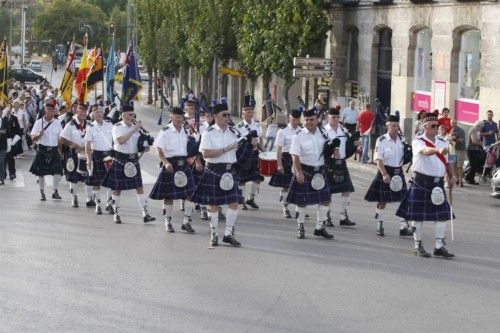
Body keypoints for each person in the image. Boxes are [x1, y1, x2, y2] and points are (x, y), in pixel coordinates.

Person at [396, 111, 456, 258]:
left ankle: (439, 246)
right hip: (421, 182)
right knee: (418, 217)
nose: (436, 128)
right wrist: (437, 150)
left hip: (438, 183)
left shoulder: (443, 141)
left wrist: (451, 175)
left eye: (438, 125)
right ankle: (418, 246)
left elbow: (448, 161)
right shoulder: (418, 141)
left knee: (441, 216)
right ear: (426, 127)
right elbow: (425, 151)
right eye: (433, 126)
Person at [191, 103, 251, 246]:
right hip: (214, 170)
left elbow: (242, 149)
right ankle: (214, 234)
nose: (227, 118)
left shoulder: (234, 132)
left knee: (234, 203)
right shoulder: (209, 132)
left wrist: (251, 144)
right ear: (216, 117)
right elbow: (205, 153)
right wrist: (225, 149)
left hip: (230, 171)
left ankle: (228, 234)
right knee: (214, 204)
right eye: (224, 115)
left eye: (228, 115)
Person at [101, 104, 156, 224]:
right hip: (120, 159)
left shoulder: (137, 128)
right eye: (130, 114)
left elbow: (142, 145)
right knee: (117, 188)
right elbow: (120, 141)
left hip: (133, 160)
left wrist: (145, 145)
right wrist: (133, 130)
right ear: (123, 115)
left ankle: (145, 213)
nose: (132, 117)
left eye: (133, 114)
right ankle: (116, 213)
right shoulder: (117, 126)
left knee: (139, 187)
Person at [286, 108, 333, 240]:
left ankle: (319, 227)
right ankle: (300, 226)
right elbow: (295, 156)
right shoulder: (298, 136)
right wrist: (299, 172)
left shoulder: (323, 134)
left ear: (317, 120)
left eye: (311, 119)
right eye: (306, 119)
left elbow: (328, 150)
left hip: (320, 171)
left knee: (326, 200)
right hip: (305, 170)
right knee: (302, 202)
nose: (309, 122)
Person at [149, 107, 197, 234]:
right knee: (169, 196)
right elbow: (158, 149)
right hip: (171, 164)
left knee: (191, 193)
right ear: (171, 117)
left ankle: (186, 221)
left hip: (184, 164)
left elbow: (190, 146)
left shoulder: (186, 130)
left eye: (181, 117)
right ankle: (168, 221)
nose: (179, 119)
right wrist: (165, 162)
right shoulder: (165, 131)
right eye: (177, 117)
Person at [364, 115, 413, 237]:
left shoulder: (402, 140)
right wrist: (384, 174)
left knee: (404, 200)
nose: (396, 128)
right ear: (387, 126)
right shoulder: (381, 140)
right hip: (386, 171)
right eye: (393, 125)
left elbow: (406, 157)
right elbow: (378, 160)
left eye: (397, 125)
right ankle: (379, 225)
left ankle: (403, 227)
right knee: (382, 201)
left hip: (398, 172)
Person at [324, 107, 356, 227]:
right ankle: (326, 216)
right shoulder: (323, 131)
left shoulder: (343, 130)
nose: (336, 119)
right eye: (333, 117)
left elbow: (348, 145)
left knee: (346, 190)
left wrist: (354, 143)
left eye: (338, 117)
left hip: (341, 162)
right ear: (328, 118)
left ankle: (343, 216)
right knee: (328, 191)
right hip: (329, 162)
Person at [269, 109, 302, 218]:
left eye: (297, 120)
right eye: (293, 119)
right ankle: (285, 207)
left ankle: (299, 207)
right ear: (289, 118)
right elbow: (278, 150)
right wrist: (279, 165)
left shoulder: (302, 130)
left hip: (298, 158)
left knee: (299, 185)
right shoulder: (282, 131)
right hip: (286, 158)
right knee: (285, 187)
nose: (295, 122)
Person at [29, 99, 64, 200]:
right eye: (49, 110)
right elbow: (32, 138)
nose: (51, 112)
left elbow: (59, 139)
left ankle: (55, 191)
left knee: (57, 171)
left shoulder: (57, 123)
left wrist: (60, 152)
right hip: (42, 149)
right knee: (40, 173)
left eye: (53, 111)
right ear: (45, 111)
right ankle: (42, 192)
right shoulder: (39, 123)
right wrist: (39, 134)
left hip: (54, 149)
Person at [60, 103, 93, 208]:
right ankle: (74, 198)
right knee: (73, 177)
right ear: (77, 111)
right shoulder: (71, 124)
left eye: (85, 111)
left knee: (89, 175)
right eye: (81, 111)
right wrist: (71, 144)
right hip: (74, 152)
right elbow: (61, 139)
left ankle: (89, 199)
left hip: (86, 152)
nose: (84, 113)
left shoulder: (89, 124)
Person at [84, 105, 114, 215]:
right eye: (96, 111)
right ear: (92, 114)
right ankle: (98, 205)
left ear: (103, 113)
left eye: (101, 111)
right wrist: (88, 159)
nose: (99, 113)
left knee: (111, 182)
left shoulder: (110, 125)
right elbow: (87, 145)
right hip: (97, 155)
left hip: (109, 155)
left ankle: (109, 204)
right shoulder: (90, 127)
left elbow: (115, 141)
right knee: (96, 183)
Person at [236, 103, 263, 210]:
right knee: (242, 180)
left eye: (251, 112)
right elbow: (237, 142)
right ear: (243, 113)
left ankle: (251, 198)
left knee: (257, 178)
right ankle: (242, 200)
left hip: (255, 154)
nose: (250, 114)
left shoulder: (256, 124)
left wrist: (263, 149)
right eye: (248, 112)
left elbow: (260, 138)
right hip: (244, 155)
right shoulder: (238, 127)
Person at [3, 105, 22, 180]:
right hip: (3, 141)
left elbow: (18, 131)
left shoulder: (14, 118)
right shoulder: (2, 118)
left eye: (9, 109)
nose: (8, 111)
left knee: (10, 158)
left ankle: (12, 173)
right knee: (3, 159)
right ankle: (3, 174)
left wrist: (14, 141)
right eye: (6, 109)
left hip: (11, 141)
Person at [465, 120, 485, 185]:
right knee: (473, 165)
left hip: (475, 149)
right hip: (471, 149)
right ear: (478, 126)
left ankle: (471, 179)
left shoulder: (477, 131)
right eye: (480, 127)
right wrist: (482, 144)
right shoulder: (473, 129)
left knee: (475, 165)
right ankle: (468, 178)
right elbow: (474, 141)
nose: (481, 128)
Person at [449, 120, 466, 187]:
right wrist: (450, 140)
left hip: (460, 150)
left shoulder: (461, 130)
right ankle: (457, 180)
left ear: (457, 123)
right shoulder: (451, 130)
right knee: (455, 166)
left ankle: (461, 181)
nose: (453, 124)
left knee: (460, 166)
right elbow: (450, 141)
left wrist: (453, 139)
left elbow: (461, 141)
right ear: (450, 124)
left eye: (454, 123)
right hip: (453, 150)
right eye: (452, 123)